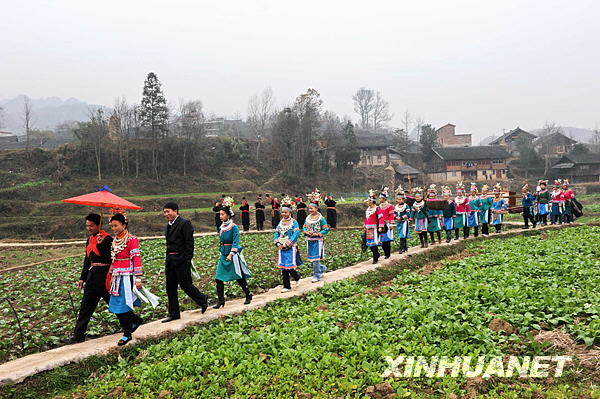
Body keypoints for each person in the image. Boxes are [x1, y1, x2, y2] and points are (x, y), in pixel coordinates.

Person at [62, 213, 113, 344]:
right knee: (85, 306)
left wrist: (101, 244)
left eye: (91, 226)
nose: (89, 228)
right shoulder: (89, 240)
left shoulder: (107, 239)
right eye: (87, 226)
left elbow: (108, 258)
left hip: (104, 276)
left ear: (98, 225)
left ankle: (132, 321)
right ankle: (78, 335)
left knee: (113, 303)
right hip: (92, 276)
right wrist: (82, 278)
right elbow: (87, 260)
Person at [162, 202, 208, 323]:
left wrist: (186, 258)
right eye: (164, 212)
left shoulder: (184, 223)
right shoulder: (168, 225)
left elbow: (189, 243)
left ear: (176, 211)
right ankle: (174, 313)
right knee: (170, 287)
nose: (166, 214)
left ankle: (202, 299)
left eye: (168, 211)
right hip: (170, 260)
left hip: (181, 260)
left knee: (185, 284)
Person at [106, 214, 144, 346]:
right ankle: (134, 321)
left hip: (128, 276)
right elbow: (114, 260)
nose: (113, 228)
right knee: (116, 303)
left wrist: (138, 277)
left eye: (116, 225)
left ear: (124, 225)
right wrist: (110, 275)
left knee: (124, 304)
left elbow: (136, 258)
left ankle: (127, 333)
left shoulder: (132, 239)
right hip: (116, 276)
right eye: (111, 226)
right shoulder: (114, 240)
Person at [213, 207, 252, 308]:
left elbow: (235, 242)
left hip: (232, 255)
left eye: (222, 214)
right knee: (218, 278)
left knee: (239, 277)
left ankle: (248, 294)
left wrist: (231, 254)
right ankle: (221, 300)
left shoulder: (234, 227)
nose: (220, 216)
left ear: (228, 215)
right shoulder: (221, 227)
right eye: (220, 214)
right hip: (223, 255)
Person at [274, 207, 302, 292]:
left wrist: (288, 243)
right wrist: (277, 243)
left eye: (285, 212)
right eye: (282, 212)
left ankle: (296, 277)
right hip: (281, 247)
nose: (283, 214)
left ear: (290, 213)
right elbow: (277, 233)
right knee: (283, 266)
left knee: (289, 266)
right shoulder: (280, 223)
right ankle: (287, 286)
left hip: (291, 247)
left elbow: (296, 233)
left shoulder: (294, 222)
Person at [303, 203, 329, 282]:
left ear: (316, 208)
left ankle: (316, 275)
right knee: (311, 259)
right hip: (309, 240)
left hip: (318, 241)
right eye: (309, 208)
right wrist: (306, 232)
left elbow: (326, 229)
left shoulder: (321, 219)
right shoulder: (307, 218)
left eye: (312, 208)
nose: (310, 210)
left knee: (315, 259)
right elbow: (304, 227)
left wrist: (318, 233)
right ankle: (322, 268)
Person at [377, 188, 395, 258]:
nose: (379, 199)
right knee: (381, 239)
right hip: (381, 224)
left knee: (386, 239)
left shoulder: (390, 206)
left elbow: (391, 215)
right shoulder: (378, 207)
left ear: (384, 199)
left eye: (380, 198)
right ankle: (385, 252)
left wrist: (391, 223)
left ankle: (388, 253)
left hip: (387, 224)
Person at [364, 197, 382, 262]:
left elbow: (381, 218)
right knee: (370, 244)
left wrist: (380, 226)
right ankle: (377, 254)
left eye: (368, 201)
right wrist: (365, 226)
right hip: (369, 229)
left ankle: (375, 258)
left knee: (374, 243)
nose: (367, 202)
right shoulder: (368, 209)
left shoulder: (377, 208)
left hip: (374, 228)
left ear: (371, 202)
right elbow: (366, 219)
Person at [394, 186, 412, 254]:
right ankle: (405, 247)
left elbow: (408, 214)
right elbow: (394, 213)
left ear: (403, 199)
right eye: (398, 199)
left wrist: (401, 218)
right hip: (398, 222)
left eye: (400, 199)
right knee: (400, 234)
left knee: (402, 234)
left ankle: (401, 248)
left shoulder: (406, 206)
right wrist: (395, 217)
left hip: (404, 222)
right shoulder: (396, 206)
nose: (399, 201)